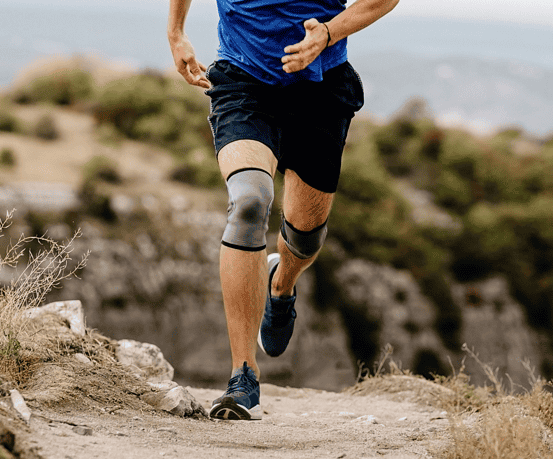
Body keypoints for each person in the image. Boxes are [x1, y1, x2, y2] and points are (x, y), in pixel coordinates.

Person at [168, 0, 399, 420]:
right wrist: (177, 32)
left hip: (322, 87)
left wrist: (327, 34)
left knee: (305, 235)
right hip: (243, 80)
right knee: (250, 201)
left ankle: (282, 283)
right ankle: (243, 376)